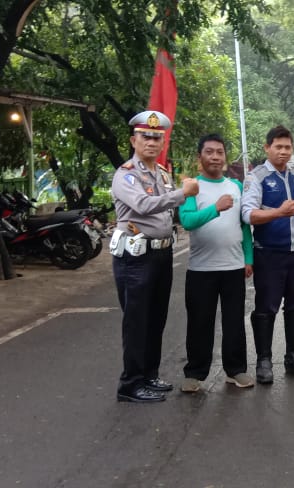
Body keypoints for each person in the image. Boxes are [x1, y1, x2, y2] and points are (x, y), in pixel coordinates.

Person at [110, 110, 199, 403]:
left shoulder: (160, 173)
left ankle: (149, 374)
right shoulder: (126, 175)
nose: (151, 142)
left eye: (156, 137)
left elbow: (167, 208)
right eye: (145, 136)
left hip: (161, 254)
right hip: (135, 258)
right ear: (133, 140)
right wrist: (181, 194)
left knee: (156, 319)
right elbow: (144, 205)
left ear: (163, 143)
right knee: (136, 321)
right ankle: (130, 384)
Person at [178, 133, 255, 392]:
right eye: (209, 152)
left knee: (234, 322)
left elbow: (244, 227)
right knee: (200, 322)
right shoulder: (192, 187)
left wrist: (248, 258)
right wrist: (216, 209)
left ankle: (236, 370)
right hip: (201, 269)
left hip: (233, 267)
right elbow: (187, 221)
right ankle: (195, 373)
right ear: (200, 156)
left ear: (225, 157)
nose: (214, 156)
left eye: (219, 152)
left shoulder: (235, 186)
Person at [241, 125, 294, 383]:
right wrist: (277, 212)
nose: (283, 152)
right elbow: (248, 214)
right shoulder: (256, 177)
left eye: (287, 147)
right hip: (269, 255)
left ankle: (293, 357)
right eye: (278, 147)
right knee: (266, 308)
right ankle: (263, 360)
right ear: (267, 148)